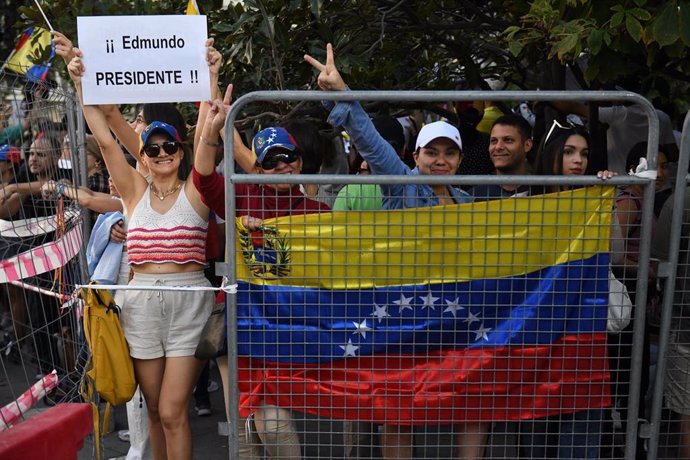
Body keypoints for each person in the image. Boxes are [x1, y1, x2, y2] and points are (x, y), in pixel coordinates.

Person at [305, 43, 485, 460]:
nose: (440, 160)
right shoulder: (401, 182)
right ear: (416, 155)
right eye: (432, 152)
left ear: (459, 159)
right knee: (400, 410)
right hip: (406, 312)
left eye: (449, 152)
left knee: (473, 403)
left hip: (456, 313)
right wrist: (342, 91)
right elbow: (369, 142)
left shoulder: (472, 203)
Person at [67, 49, 214, 460]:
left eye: (170, 146)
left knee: (172, 410)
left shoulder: (196, 191)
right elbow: (104, 138)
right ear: (144, 155)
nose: (162, 152)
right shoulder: (133, 192)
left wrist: (212, 77)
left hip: (189, 301)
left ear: (181, 152)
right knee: (153, 409)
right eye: (153, 147)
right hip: (141, 303)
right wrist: (81, 85)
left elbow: (207, 136)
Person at [193, 83, 330, 458]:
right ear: (256, 166)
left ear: (301, 162)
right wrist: (209, 131)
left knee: (273, 423)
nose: (282, 164)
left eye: (289, 156)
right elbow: (203, 178)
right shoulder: (242, 195)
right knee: (243, 430)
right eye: (270, 160)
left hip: (287, 328)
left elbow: (328, 272)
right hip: (239, 324)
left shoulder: (319, 215)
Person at [527, 120, 615, 459]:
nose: (578, 161)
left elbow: (617, 253)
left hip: (581, 333)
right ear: (551, 156)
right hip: (534, 336)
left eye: (584, 154)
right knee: (535, 427)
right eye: (568, 152)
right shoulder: (525, 205)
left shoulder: (595, 201)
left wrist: (604, 203)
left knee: (581, 420)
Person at [469, 114, 535, 201]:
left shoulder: (544, 192)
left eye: (508, 140)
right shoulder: (472, 197)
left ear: (527, 145)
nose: (498, 147)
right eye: (494, 141)